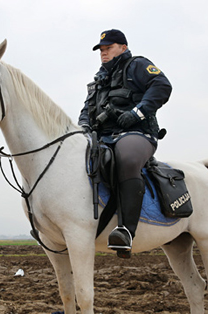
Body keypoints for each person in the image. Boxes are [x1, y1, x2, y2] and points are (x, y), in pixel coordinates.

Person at [78, 29, 172, 258]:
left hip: (137, 134)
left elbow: (162, 86)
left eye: (108, 48)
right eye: (101, 50)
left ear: (123, 47)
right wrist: (82, 129)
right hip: (103, 138)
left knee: (126, 158)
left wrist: (137, 113)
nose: (103, 53)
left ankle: (126, 232)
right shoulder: (99, 79)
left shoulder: (137, 65)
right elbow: (86, 110)